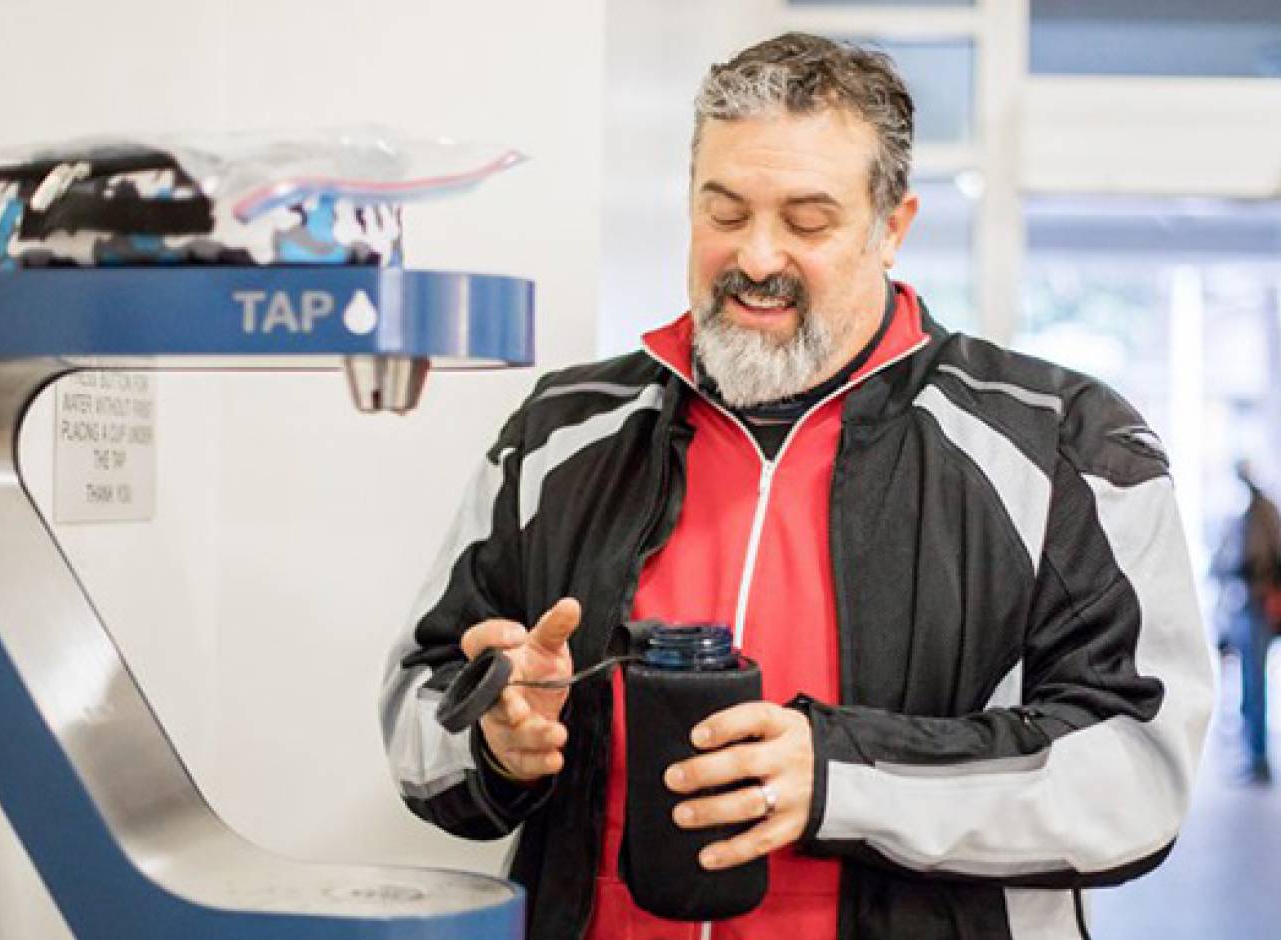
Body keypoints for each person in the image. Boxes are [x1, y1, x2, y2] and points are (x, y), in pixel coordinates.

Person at [380, 32, 1215, 940]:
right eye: (725, 213)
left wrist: (840, 775)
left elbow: (1137, 773)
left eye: (808, 221)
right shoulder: (559, 430)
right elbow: (420, 704)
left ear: (892, 228)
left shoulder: (1065, 444)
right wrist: (498, 741)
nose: (760, 257)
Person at [1210, 459, 1281, 784]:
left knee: (1254, 684)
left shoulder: (1260, 513)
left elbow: (1253, 559)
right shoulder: (1258, 512)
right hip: (1249, 607)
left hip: (1256, 607)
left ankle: (1258, 758)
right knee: (1249, 683)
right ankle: (1254, 755)